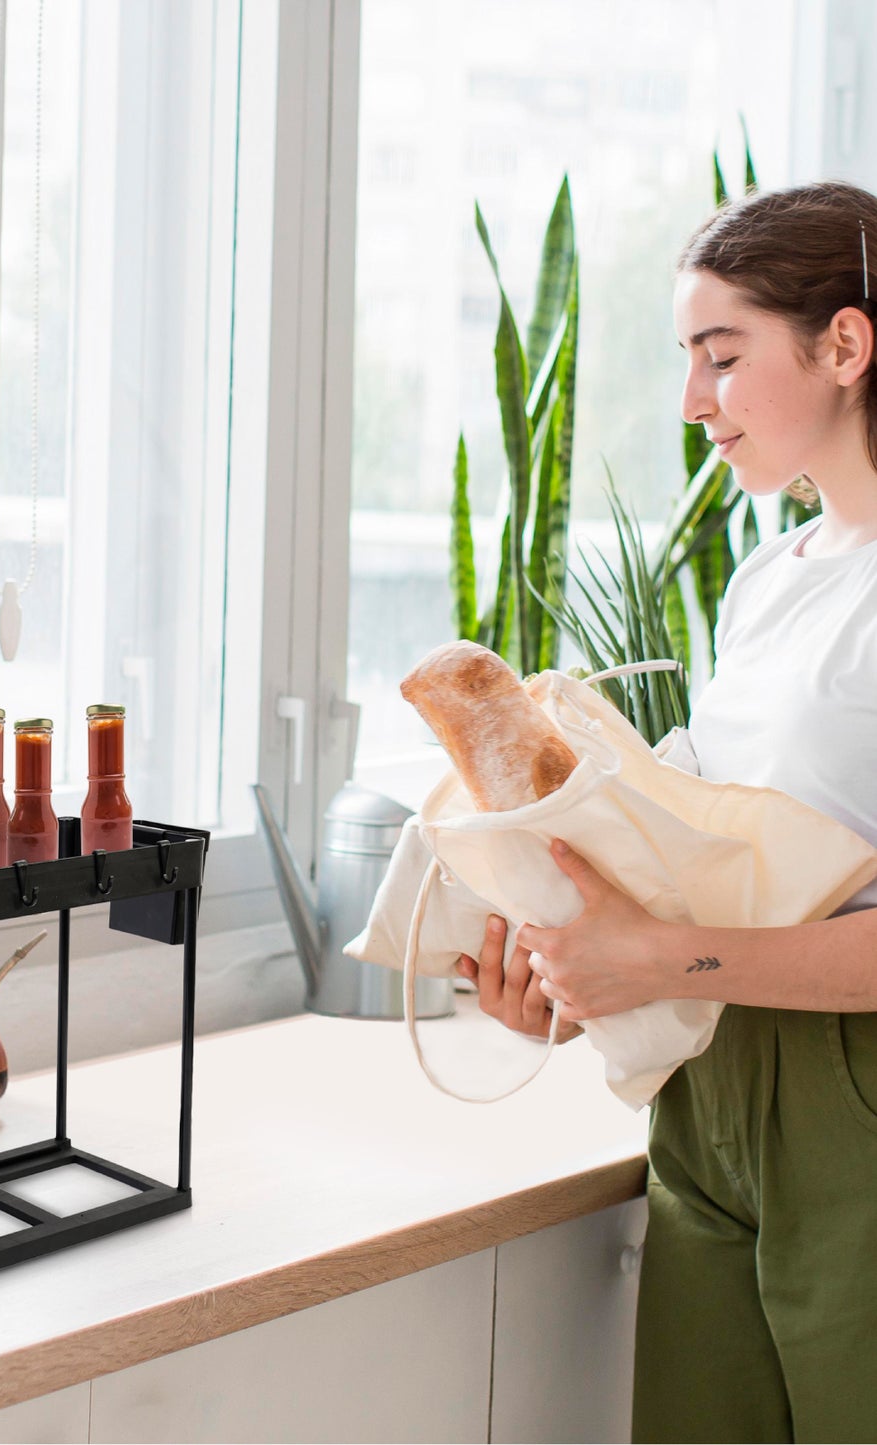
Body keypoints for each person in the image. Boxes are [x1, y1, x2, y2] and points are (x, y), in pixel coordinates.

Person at [455, 180, 877, 1444]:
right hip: (708, 1088)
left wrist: (657, 956)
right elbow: (701, 843)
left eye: (722, 356)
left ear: (844, 345)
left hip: (848, 1097)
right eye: (686, 361)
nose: (694, 402)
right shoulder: (768, 574)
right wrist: (563, 956)